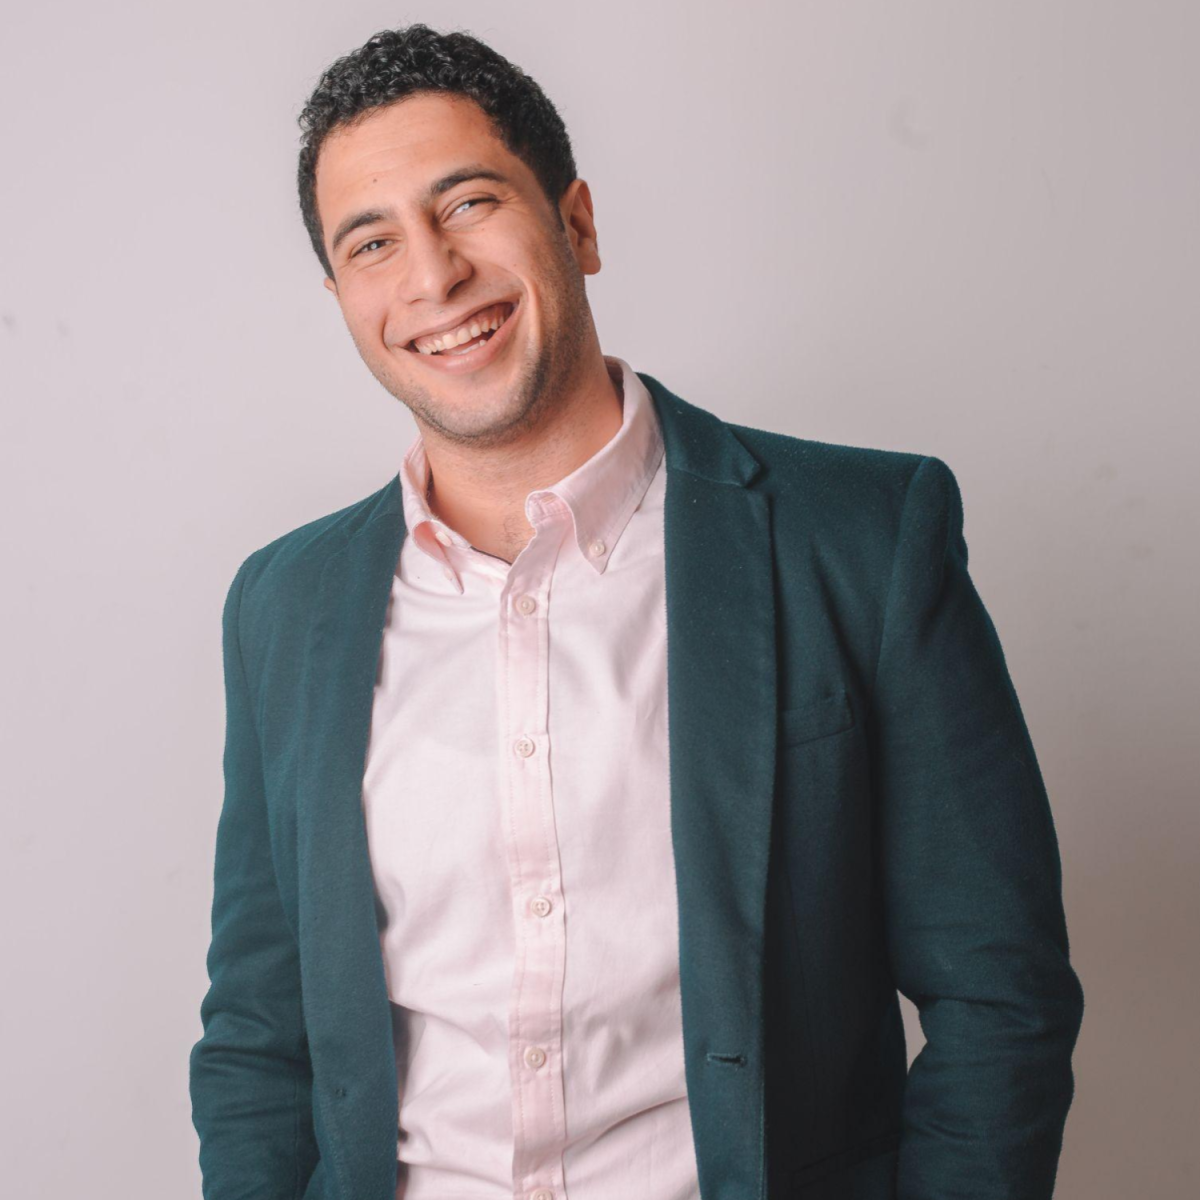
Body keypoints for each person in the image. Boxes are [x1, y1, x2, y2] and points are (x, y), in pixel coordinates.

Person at [188, 23, 1084, 1200]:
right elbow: (259, 1033)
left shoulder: (862, 539)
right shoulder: (283, 605)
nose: (431, 276)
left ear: (577, 224)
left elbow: (1000, 997)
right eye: (373, 241)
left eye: (468, 204)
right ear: (343, 295)